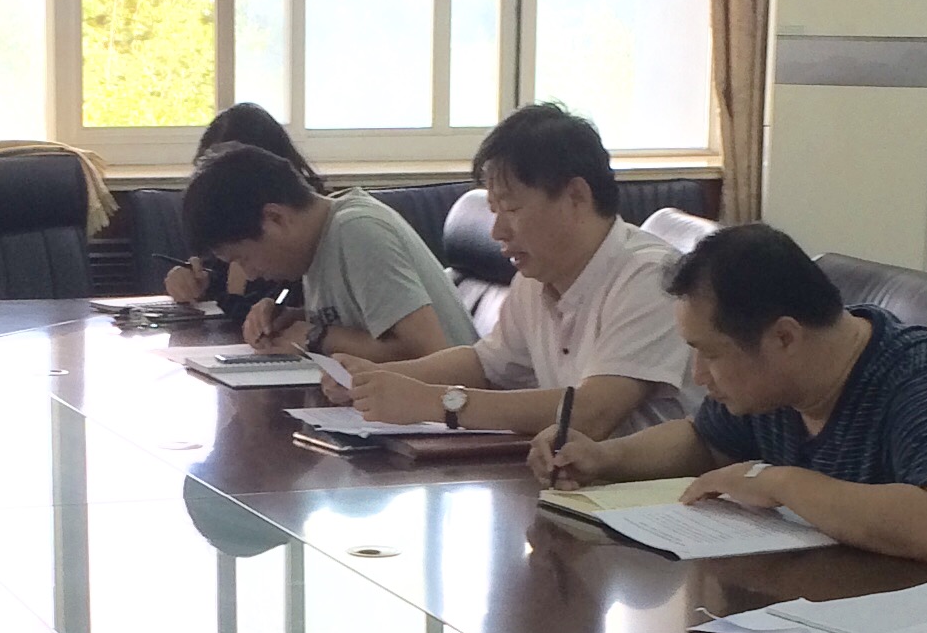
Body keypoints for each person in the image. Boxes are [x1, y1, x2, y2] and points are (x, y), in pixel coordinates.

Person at [536, 226, 927, 570]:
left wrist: (779, 482)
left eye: (711, 354)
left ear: (784, 338)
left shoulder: (925, 378)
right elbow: (705, 441)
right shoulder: (773, 385)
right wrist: (605, 457)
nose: (699, 376)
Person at [349, 104, 693, 440]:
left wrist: (437, 403)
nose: (497, 231)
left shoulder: (651, 277)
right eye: (494, 210)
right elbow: (486, 367)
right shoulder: (536, 278)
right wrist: (373, 379)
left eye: (511, 208)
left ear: (576, 196)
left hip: (654, 478)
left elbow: (592, 414)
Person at [181, 142, 476, 362]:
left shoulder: (357, 231)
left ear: (275, 218)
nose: (250, 274)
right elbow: (366, 325)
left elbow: (431, 352)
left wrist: (318, 336)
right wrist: (291, 318)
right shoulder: (318, 242)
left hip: (455, 414)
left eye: (243, 258)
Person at [164, 103, 314, 318]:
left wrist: (236, 292)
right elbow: (216, 279)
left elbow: (267, 310)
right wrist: (194, 281)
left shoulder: (299, 235)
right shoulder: (226, 221)